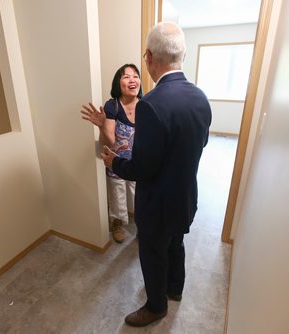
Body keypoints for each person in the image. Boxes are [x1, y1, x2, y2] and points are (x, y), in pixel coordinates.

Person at [101, 22, 212, 327]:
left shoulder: (151, 105)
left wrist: (114, 163)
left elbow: (142, 168)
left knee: (152, 253)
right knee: (176, 243)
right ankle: (175, 289)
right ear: (183, 54)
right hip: (186, 196)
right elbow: (200, 144)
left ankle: (155, 305)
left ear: (148, 57)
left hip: (158, 204)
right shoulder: (200, 98)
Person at [81, 64, 143, 243]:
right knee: (117, 195)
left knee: (139, 196)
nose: (132, 79)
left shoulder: (147, 104)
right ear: (119, 82)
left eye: (135, 76)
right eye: (126, 76)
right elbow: (109, 142)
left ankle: (142, 225)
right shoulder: (112, 105)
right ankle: (117, 223)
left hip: (138, 162)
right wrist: (101, 125)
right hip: (116, 161)